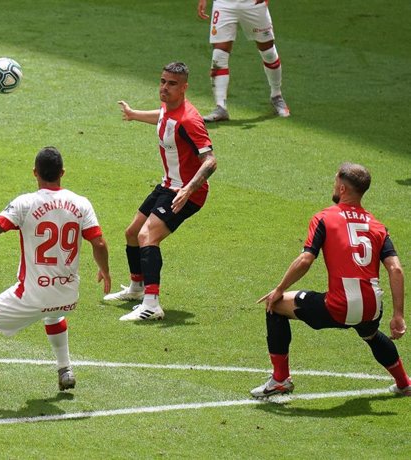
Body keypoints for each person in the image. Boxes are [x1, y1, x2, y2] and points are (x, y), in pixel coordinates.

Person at [0, 147, 111, 409]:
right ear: (62, 173)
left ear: (35, 173)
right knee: (52, 312)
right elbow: (100, 243)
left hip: (33, 295)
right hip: (67, 295)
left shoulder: (26, 203)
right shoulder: (82, 203)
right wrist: (105, 270)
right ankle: (65, 370)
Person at [252, 163, 409, 397]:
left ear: (343, 188)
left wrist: (279, 288)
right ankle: (404, 383)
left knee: (275, 306)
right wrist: (398, 314)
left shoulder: (325, 218)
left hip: (338, 306)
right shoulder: (377, 226)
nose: (334, 185)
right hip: (372, 307)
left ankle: (280, 379)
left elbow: (306, 260)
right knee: (370, 334)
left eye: (335, 181)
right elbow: (395, 269)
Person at [104, 62, 217, 322]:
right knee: (132, 233)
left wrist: (188, 189)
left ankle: (152, 304)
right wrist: (134, 114)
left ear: (184, 87)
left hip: (186, 192)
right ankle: (137, 288)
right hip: (167, 184)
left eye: (172, 84)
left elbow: (210, 161)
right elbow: (163, 116)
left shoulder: (190, 120)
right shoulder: (170, 107)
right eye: (163, 81)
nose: (165, 88)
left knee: (147, 236)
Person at [197, 0, 290, 122]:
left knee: (268, 52)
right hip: (224, 4)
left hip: (253, 4)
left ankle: (276, 95)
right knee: (219, 55)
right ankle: (220, 107)